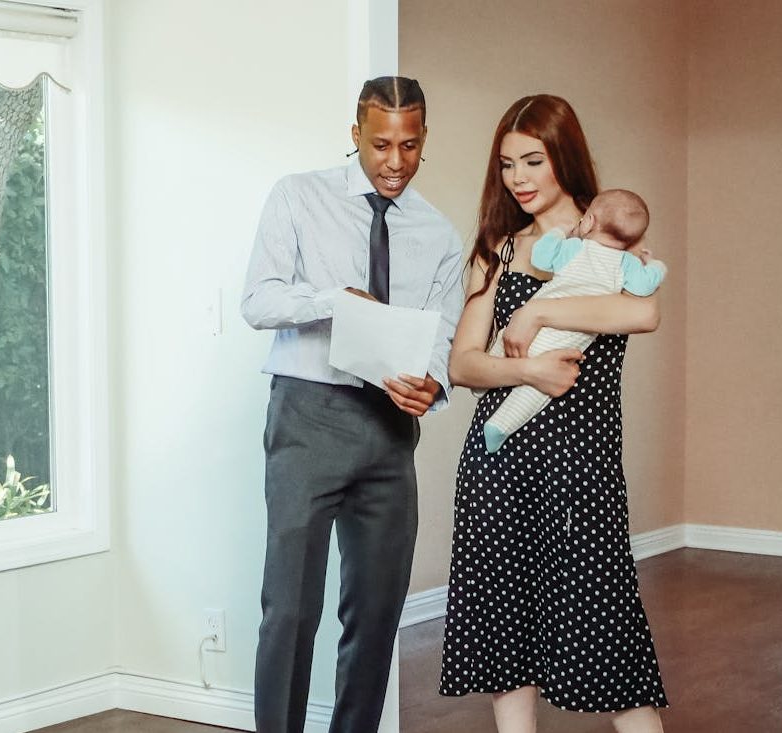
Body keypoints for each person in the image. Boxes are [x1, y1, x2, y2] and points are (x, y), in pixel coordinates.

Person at [439, 94, 669, 733]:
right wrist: (526, 369)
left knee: (607, 638)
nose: (518, 178)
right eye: (507, 164)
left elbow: (642, 313)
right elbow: (462, 364)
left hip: (581, 470)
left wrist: (537, 312)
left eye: (532, 160)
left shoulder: (616, 238)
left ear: (562, 158)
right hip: (498, 466)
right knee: (505, 642)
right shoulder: (499, 250)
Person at [241, 76, 463, 733]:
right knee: (290, 606)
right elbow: (258, 301)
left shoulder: (439, 234)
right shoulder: (298, 196)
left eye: (410, 145)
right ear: (354, 135)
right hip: (307, 418)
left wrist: (432, 385)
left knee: (375, 610)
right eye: (379, 144)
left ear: (424, 141)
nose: (394, 161)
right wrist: (334, 300)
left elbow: (442, 336)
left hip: (390, 433)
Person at [482, 188, 667, 452]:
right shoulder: (625, 264)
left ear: (589, 221)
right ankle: (500, 426)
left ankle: (486, 379)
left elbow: (541, 257)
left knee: (505, 338)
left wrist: (561, 232)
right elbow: (643, 286)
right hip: (567, 339)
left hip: (532, 326)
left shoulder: (577, 249)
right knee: (537, 390)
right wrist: (655, 266)